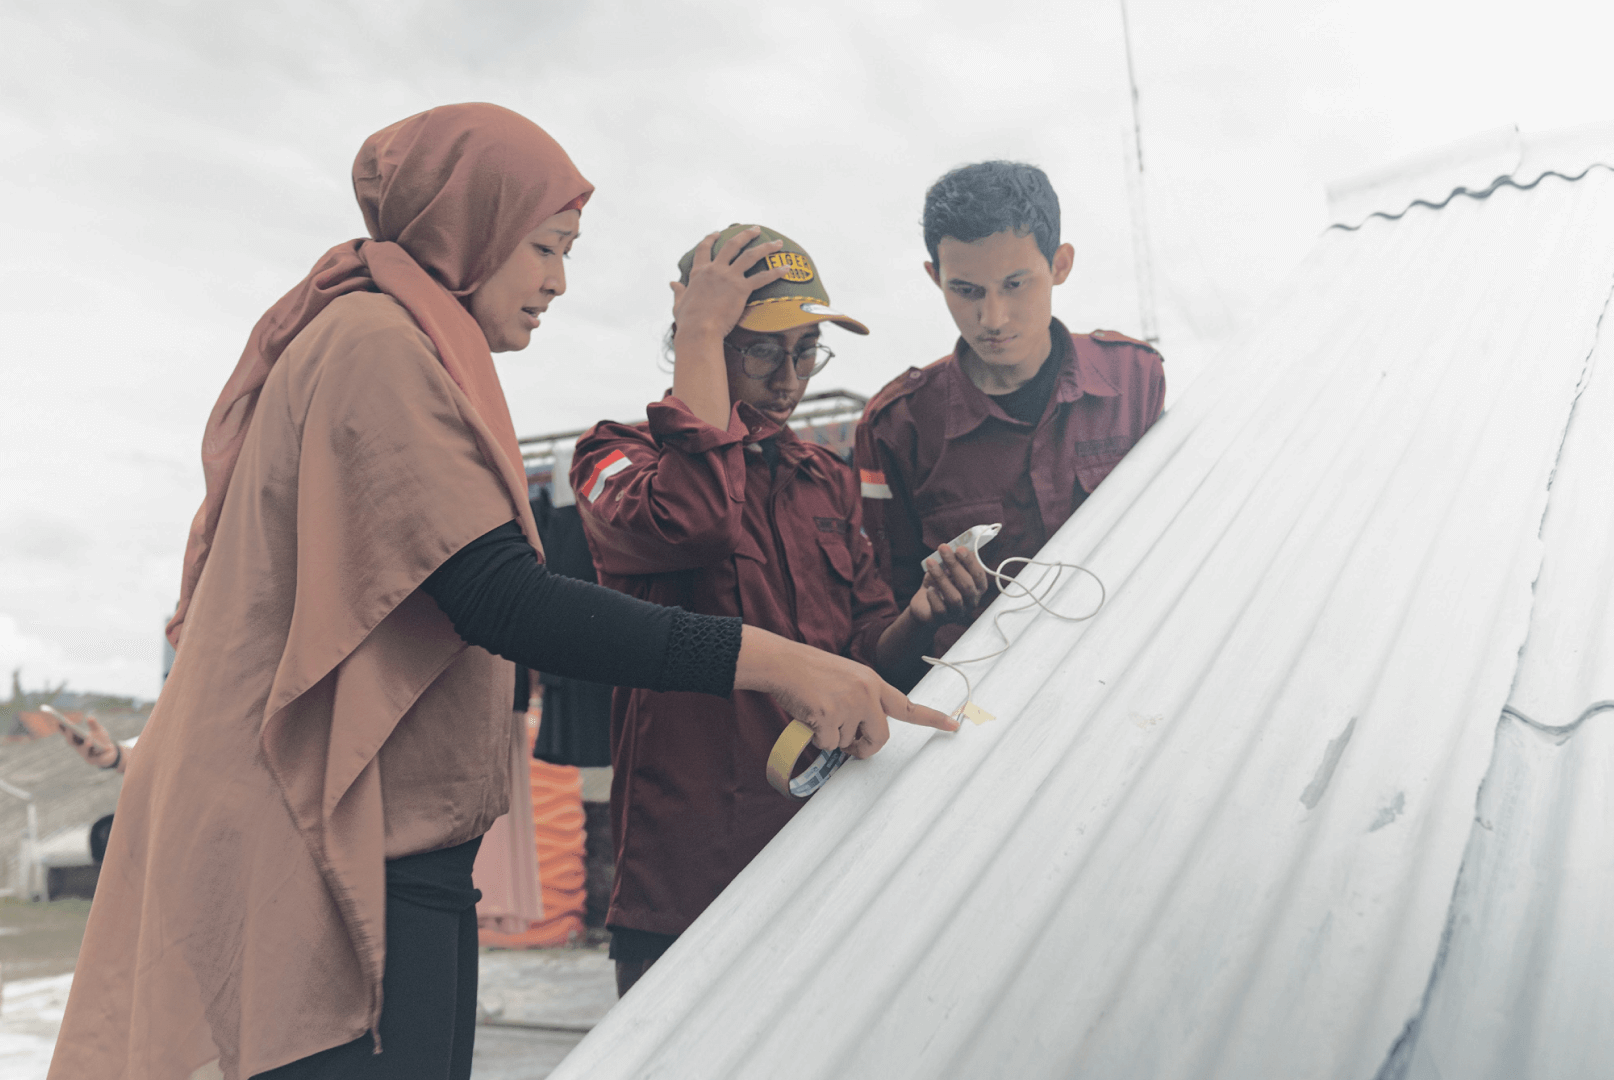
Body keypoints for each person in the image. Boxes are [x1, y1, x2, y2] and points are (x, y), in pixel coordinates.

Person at [50, 105, 953, 1080]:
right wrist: (779, 663)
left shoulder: (412, 349)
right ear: (466, 223)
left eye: (804, 351)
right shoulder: (375, 346)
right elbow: (505, 598)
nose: (560, 279)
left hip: (400, 853)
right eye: (546, 246)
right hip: (339, 855)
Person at [572, 224, 992, 995]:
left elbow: (864, 653)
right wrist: (699, 330)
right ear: (699, 337)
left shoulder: (824, 479)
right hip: (692, 874)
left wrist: (923, 613)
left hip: (824, 850)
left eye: (806, 351)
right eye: (764, 349)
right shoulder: (614, 460)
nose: (790, 377)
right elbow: (696, 519)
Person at [856, 161, 1167, 668]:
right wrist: (923, 615)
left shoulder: (1134, 379)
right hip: (982, 706)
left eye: (1015, 284)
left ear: (1060, 265)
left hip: (1134, 666)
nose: (992, 318)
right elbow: (880, 629)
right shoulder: (897, 428)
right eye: (966, 291)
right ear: (935, 278)